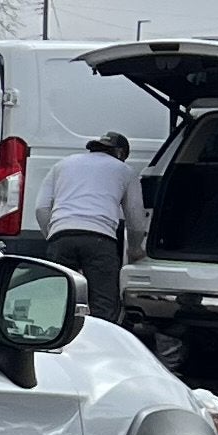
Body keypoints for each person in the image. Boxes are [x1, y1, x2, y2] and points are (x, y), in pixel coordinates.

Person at [36, 132, 136, 314]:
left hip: (61, 236)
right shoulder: (125, 171)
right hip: (100, 239)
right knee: (103, 303)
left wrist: (52, 236)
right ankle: (98, 330)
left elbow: (41, 208)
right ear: (121, 153)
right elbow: (134, 216)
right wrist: (135, 249)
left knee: (58, 300)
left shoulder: (62, 164)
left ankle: (57, 331)